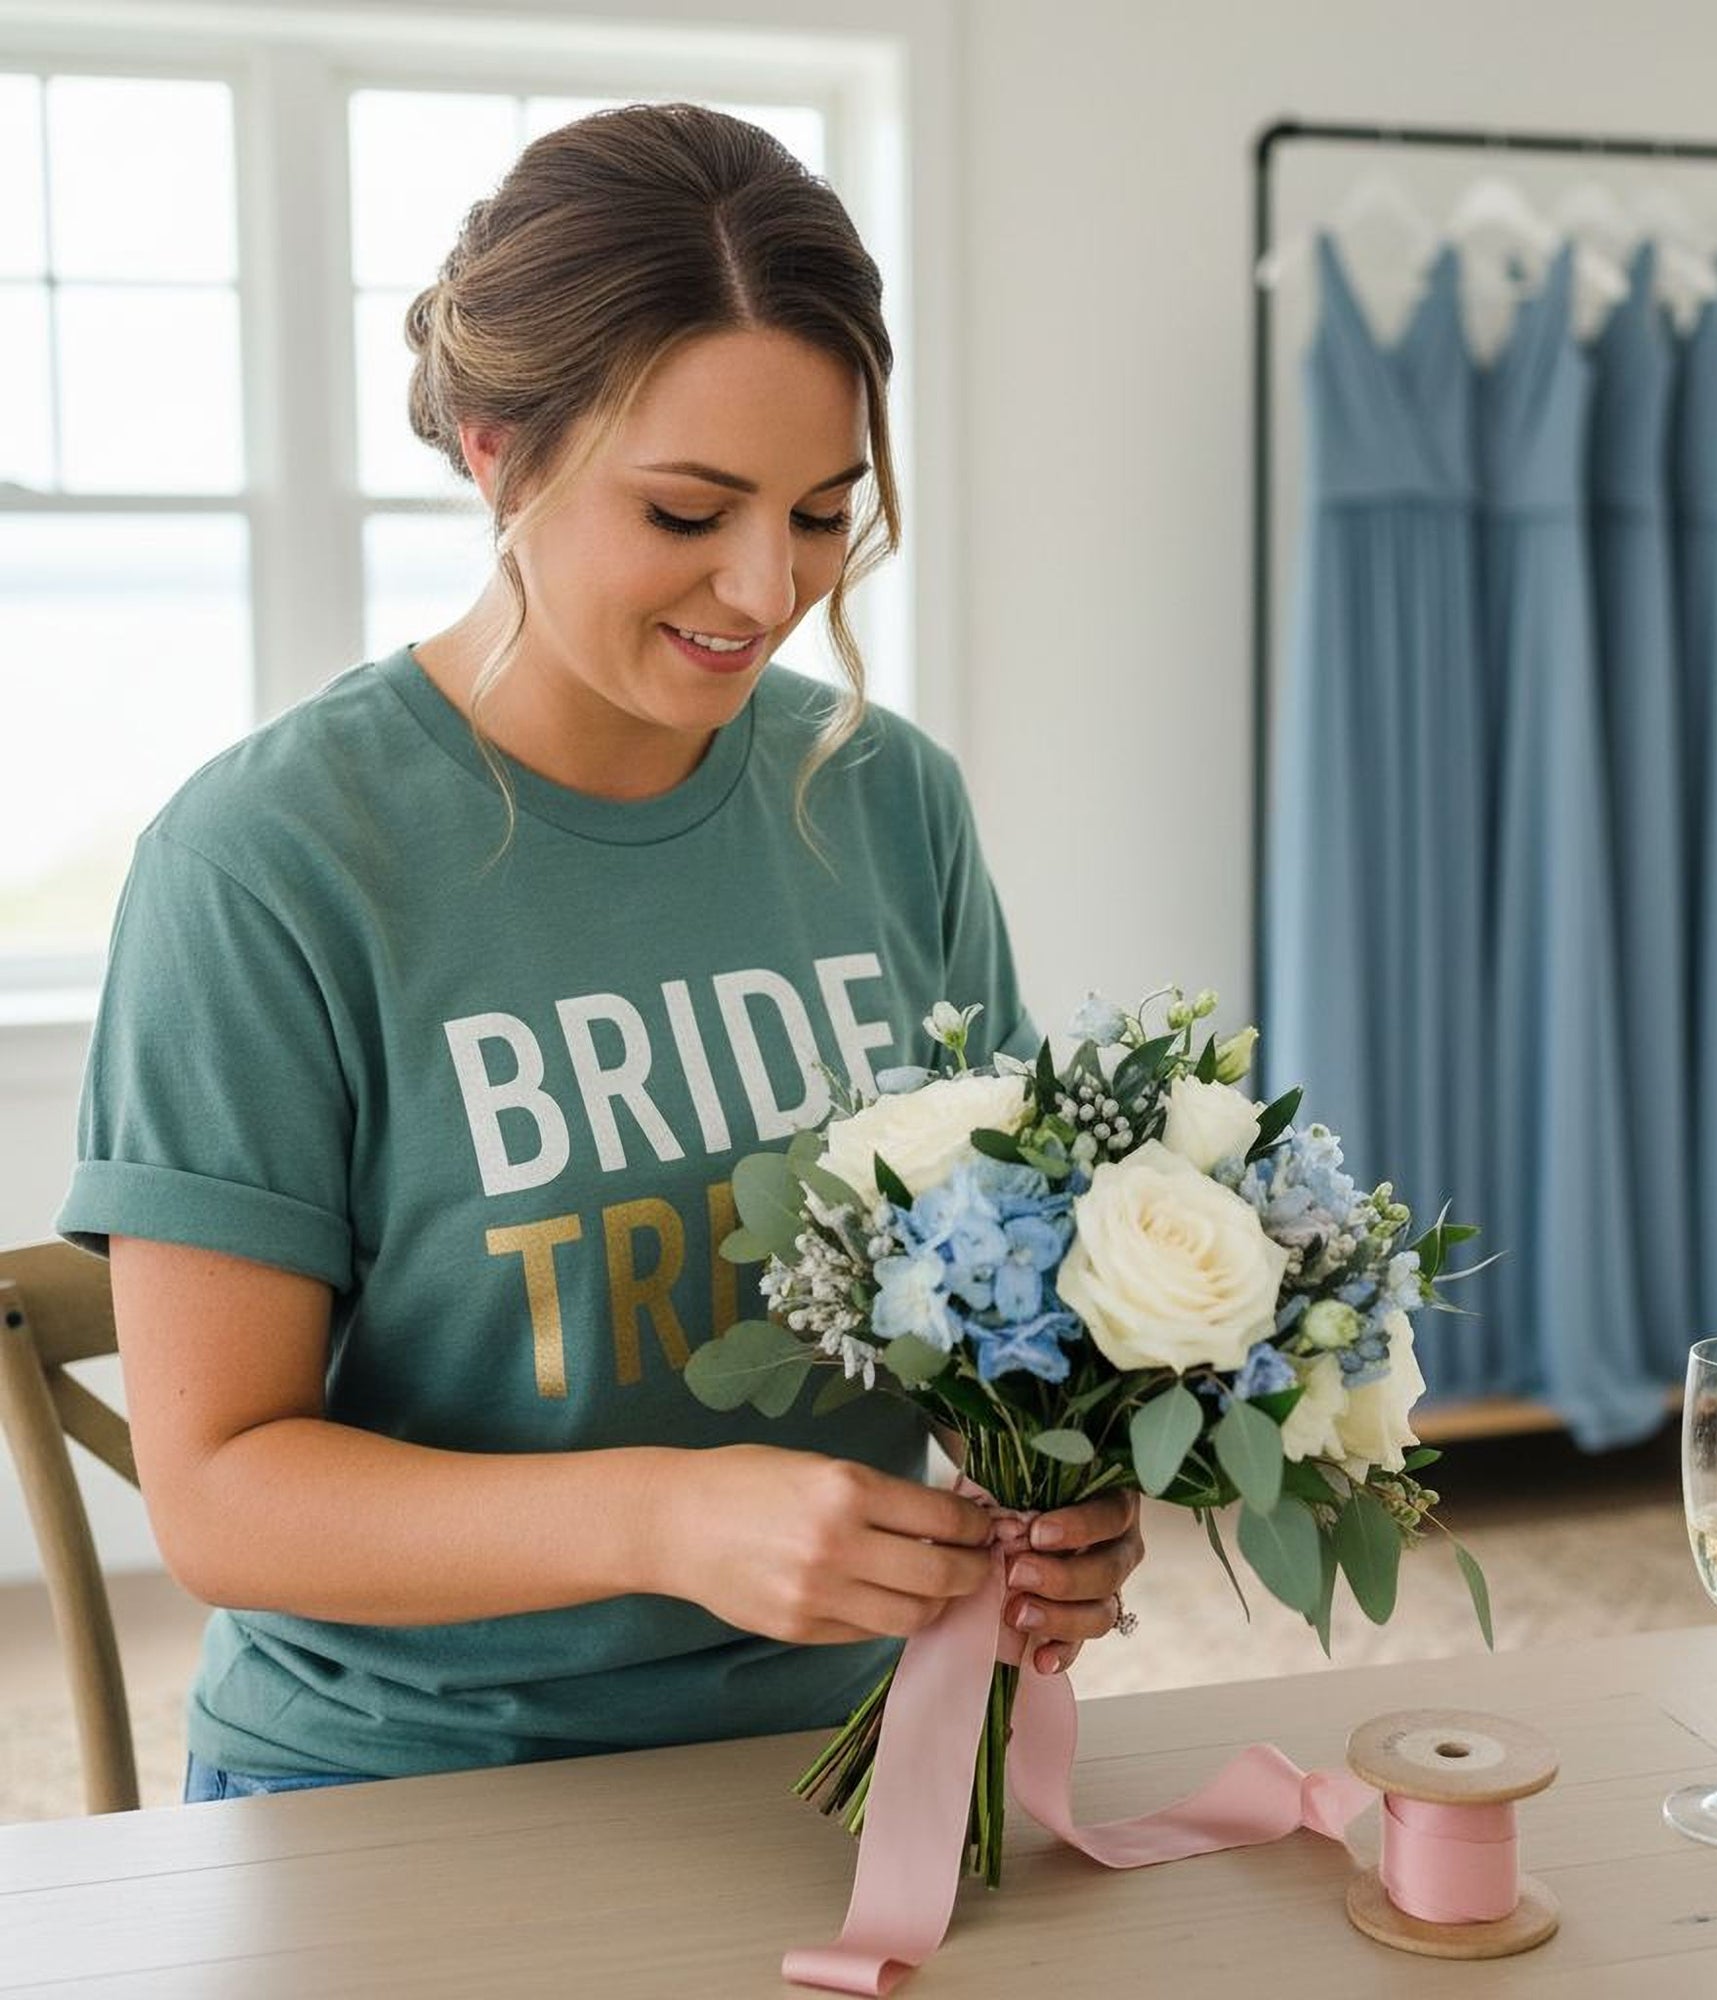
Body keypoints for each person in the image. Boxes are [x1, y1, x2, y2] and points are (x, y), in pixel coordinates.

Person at [57, 102, 1141, 1802]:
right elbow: (216, 1496)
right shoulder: (267, 863)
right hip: (410, 1781)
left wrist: (1073, 1486)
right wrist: (661, 1514)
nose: (762, 588)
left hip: (865, 1747)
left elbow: (997, 1286)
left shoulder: (886, 802)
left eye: (818, 512)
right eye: (687, 511)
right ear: (499, 451)